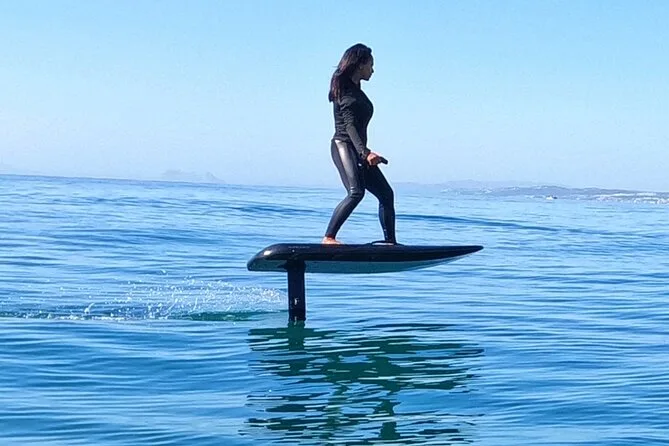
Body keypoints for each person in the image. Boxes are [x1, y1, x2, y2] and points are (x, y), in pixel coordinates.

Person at [322, 43, 397, 245]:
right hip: (343, 146)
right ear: (360, 64)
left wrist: (364, 152)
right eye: (371, 65)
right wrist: (365, 153)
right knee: (356, 192)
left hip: (358, 149)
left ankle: (390, 243)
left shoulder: (356, 90)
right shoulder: (345, 92)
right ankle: (329, 237)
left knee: (386, 194)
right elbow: (350, 126)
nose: (373, 70)